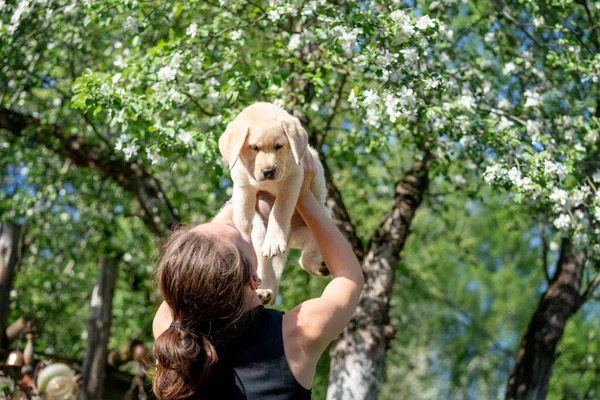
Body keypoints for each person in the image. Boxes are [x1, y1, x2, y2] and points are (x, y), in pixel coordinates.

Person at [151, 154, 364, 399]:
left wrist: (242, 197)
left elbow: (187, 275)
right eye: (241, 234)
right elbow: (349, 276)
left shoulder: (170, 337)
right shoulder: (295, 335)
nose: (234, 224)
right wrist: (302, 193)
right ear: (254, 280)